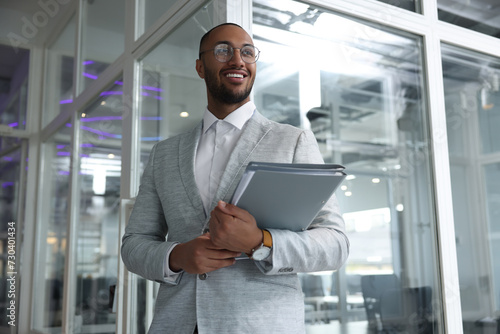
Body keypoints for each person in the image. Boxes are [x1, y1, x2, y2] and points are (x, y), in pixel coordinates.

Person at [121, 22, 349, 334]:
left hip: (259, 325)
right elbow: (134, 245)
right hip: (177, 324)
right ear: (201, 67)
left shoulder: (292, 141)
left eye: (247, 52)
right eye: (223, 50)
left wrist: (260, 241)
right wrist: (177, 256)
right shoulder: (164, 153)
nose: (237, 60)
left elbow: (335, 245)